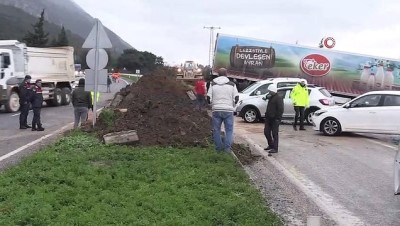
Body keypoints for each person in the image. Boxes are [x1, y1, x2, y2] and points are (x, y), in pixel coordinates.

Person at [207, 68, 239, 153]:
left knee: (216, 130)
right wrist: (233, 106)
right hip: (228, 110)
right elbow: (236, 98)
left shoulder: (212, 84)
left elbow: (208, 98)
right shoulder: (232, 84)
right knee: (229, 130)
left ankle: (218, 149)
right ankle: (227, 149)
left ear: (218, 74)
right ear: (226, 75)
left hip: (216, 110)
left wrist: (212, 104)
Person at [263, 84, 284, 154]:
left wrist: (278, 118)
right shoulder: (271, 97)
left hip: (275, 119)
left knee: (274, 134)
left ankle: (275, 148)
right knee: (266, 132)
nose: (269, 92)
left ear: (273, 91)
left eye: (270, 91)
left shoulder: (278, 98)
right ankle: (270, 145)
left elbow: (280, 109)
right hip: (268, 118)